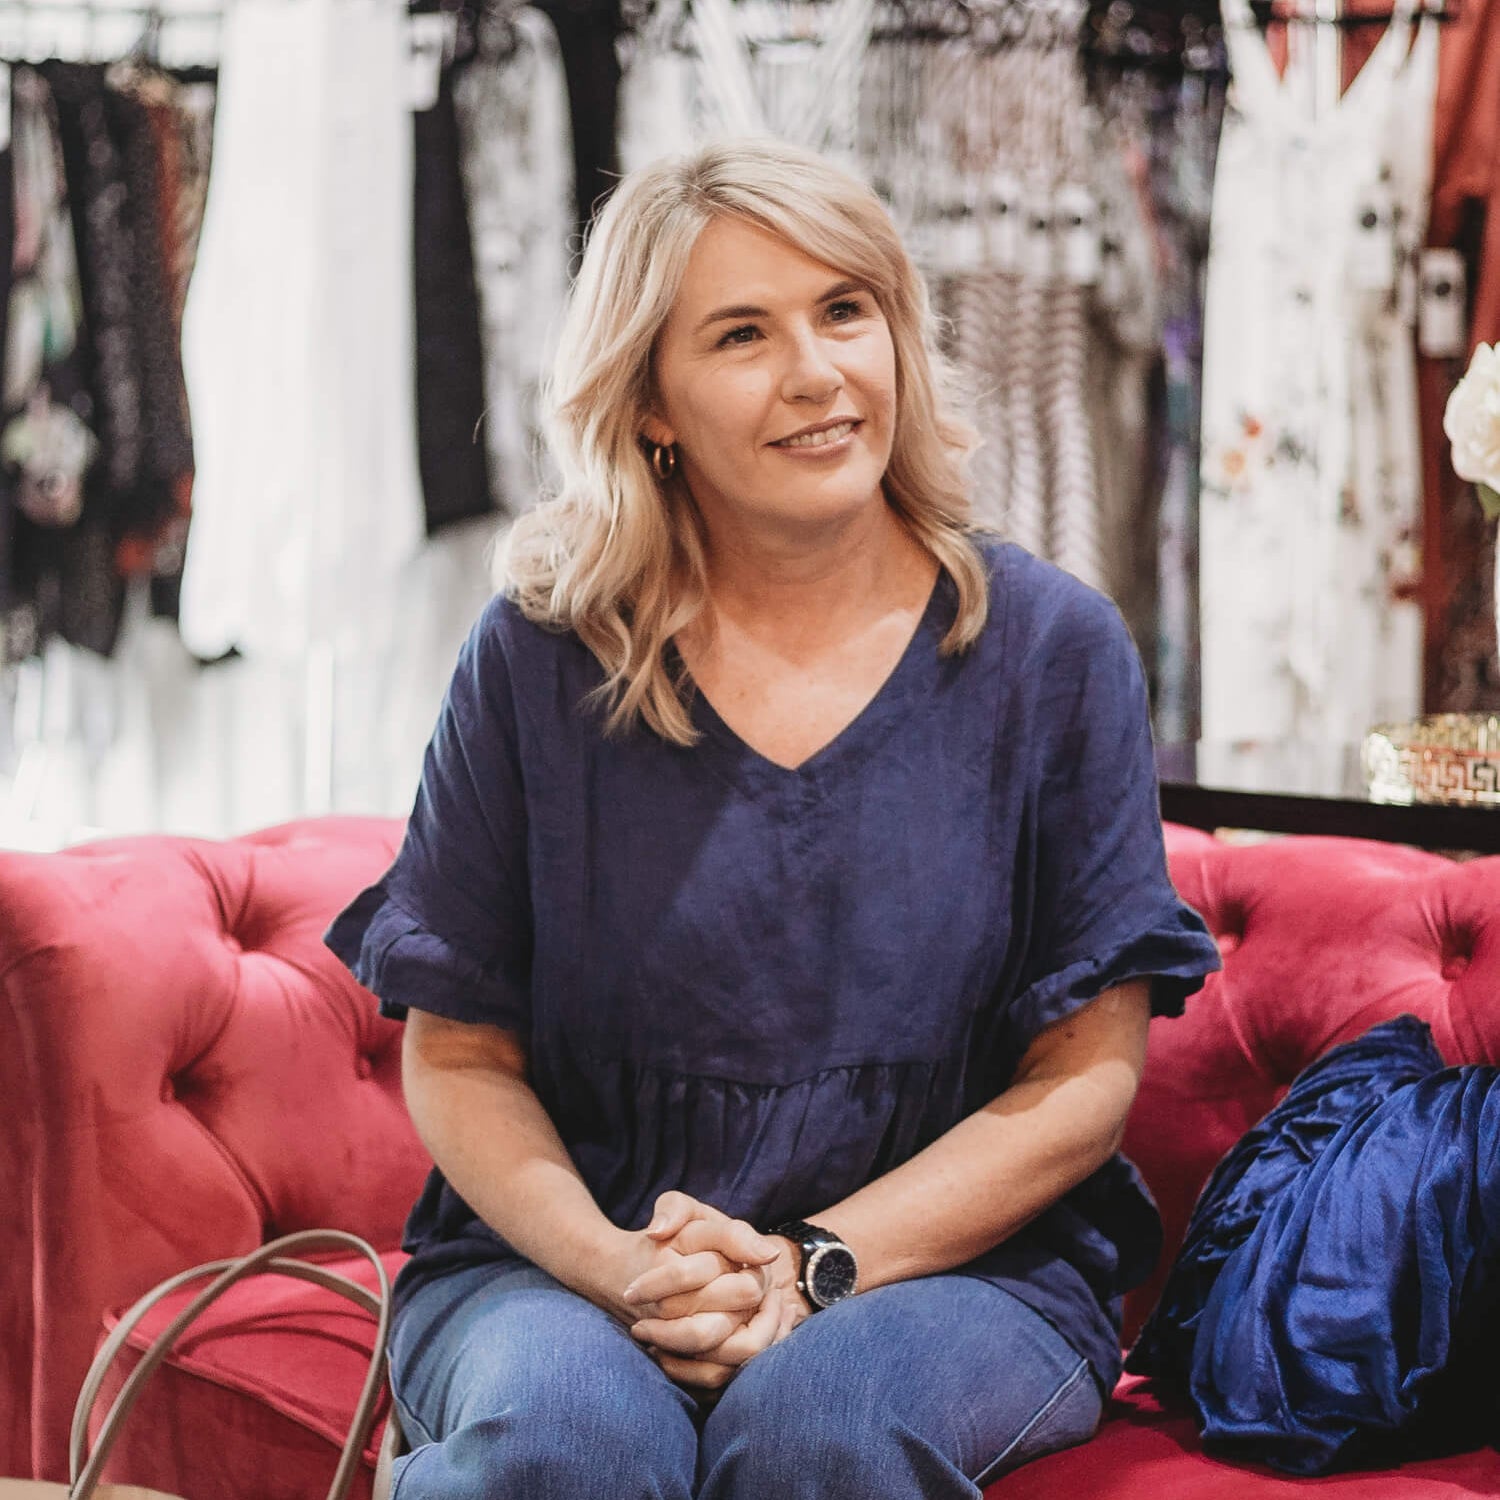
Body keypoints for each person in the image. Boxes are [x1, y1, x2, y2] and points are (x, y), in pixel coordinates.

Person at [325, 137, 1221, 1500]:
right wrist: (622, 1266)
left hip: (958, 1272)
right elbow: (459, 1058)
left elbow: (1080, 1085)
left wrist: (811, 1264)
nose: (817, 372)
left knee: (818, 1436)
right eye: (743, 334)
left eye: (845, 311)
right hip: (563, 1263)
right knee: (565, 1444)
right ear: (651, 402)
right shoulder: (532, 661)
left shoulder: (1053, 650)